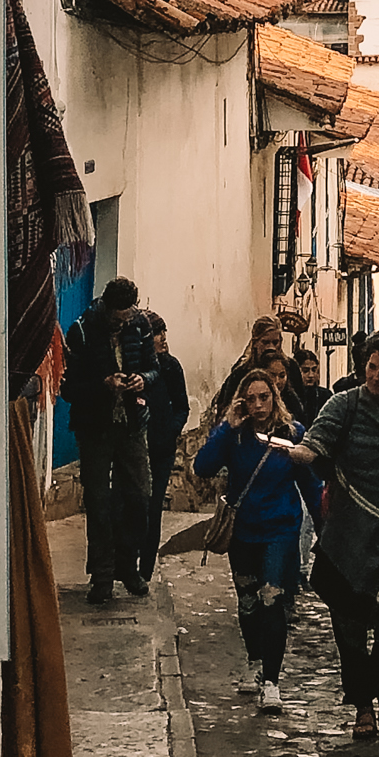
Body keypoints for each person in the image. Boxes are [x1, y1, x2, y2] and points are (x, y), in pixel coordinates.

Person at [286, 326, 379, 740]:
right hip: (346, 534)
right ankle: (363, 705)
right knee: (348, 628)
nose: (377, 376)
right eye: (372, 367)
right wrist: (304, 453)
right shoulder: (342, 406)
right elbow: (318, 441)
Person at [195, 371, 307, 713]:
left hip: (280, 529)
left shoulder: (292, 434)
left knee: (272, 600)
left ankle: (272, 681)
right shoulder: (236, 435)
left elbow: (311, 483)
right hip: (243, 531)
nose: (258, 405)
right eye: (251, 398)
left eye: (264, 397)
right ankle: (255, 661)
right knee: (248, 601)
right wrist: (228, 425)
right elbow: (203, 466)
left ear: (275, 397)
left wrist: (327, 526)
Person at [64, 277, 155, 602]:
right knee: (99, 503)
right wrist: (103, 385)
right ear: (106, 308)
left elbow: (153, 369)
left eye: (128, 317)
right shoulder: (82, 330)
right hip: (95, 429)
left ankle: (127, 568)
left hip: (131, 426)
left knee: (138, 498)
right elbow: (68, 388)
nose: (123, 324)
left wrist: (141, 380)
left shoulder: (140, 327)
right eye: (118, 319)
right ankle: (102, 576)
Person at [140, 315, 189, 581]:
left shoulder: (171, 368)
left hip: (161, 450)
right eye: (157, 334)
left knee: (154, 506)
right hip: (135, 448)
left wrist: (171, 430)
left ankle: (145, 569)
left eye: (163, 332)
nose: (163, 339)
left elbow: (182, 406)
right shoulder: (135, 367)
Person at [210, 315, 288, 423]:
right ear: (255, 342)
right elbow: (224, 408)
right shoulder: (241, 372)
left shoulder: (289, 367)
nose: (271, 347)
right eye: (265, 342)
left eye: (275, 342)